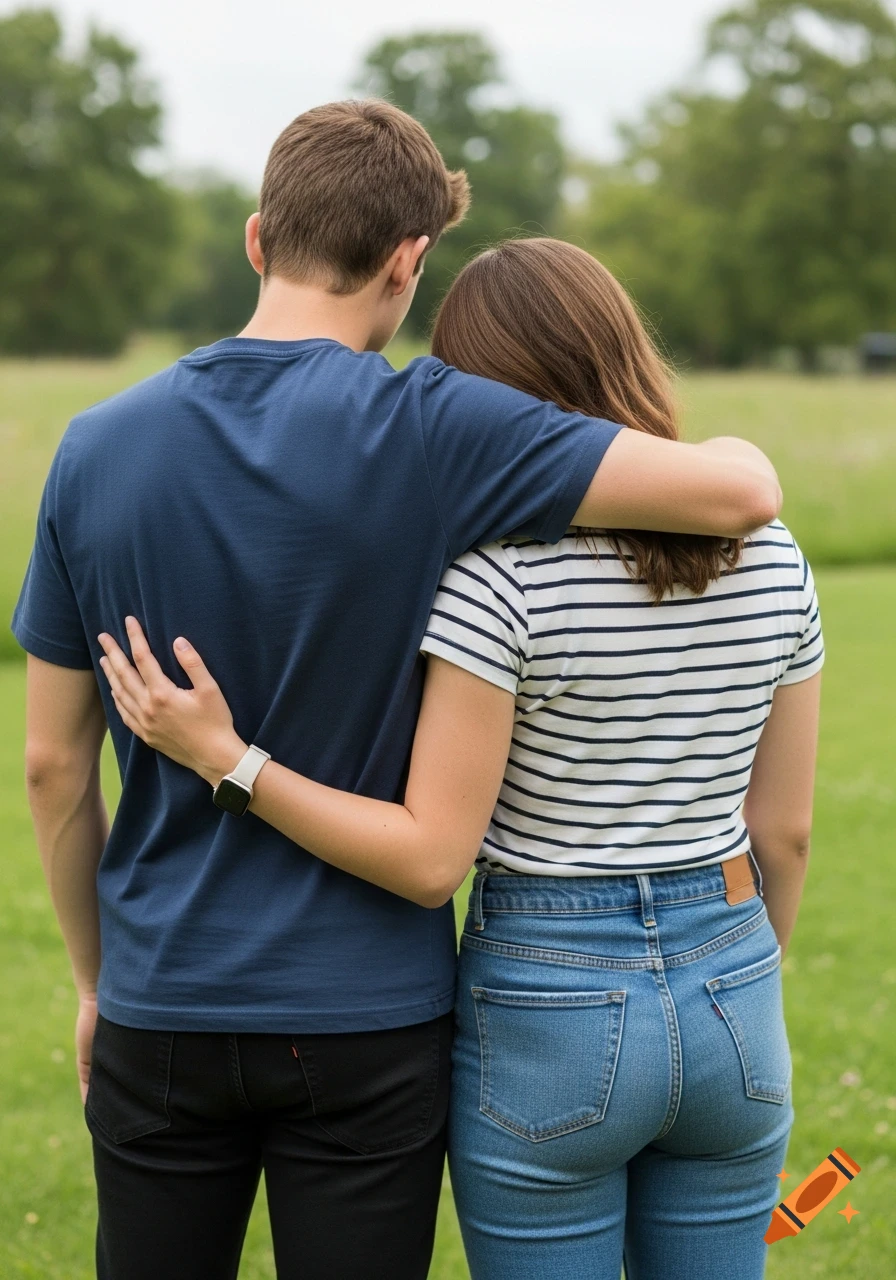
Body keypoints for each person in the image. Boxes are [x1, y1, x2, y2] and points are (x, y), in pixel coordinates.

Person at [14, 99, 781, 1280]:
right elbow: (731, 500)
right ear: (410, 261)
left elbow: (54, 764)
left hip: (160, 997)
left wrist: (92, 978)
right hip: (366, 1017)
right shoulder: (435, 427)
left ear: (257, 238)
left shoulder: (94, 445)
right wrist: (742, 457)